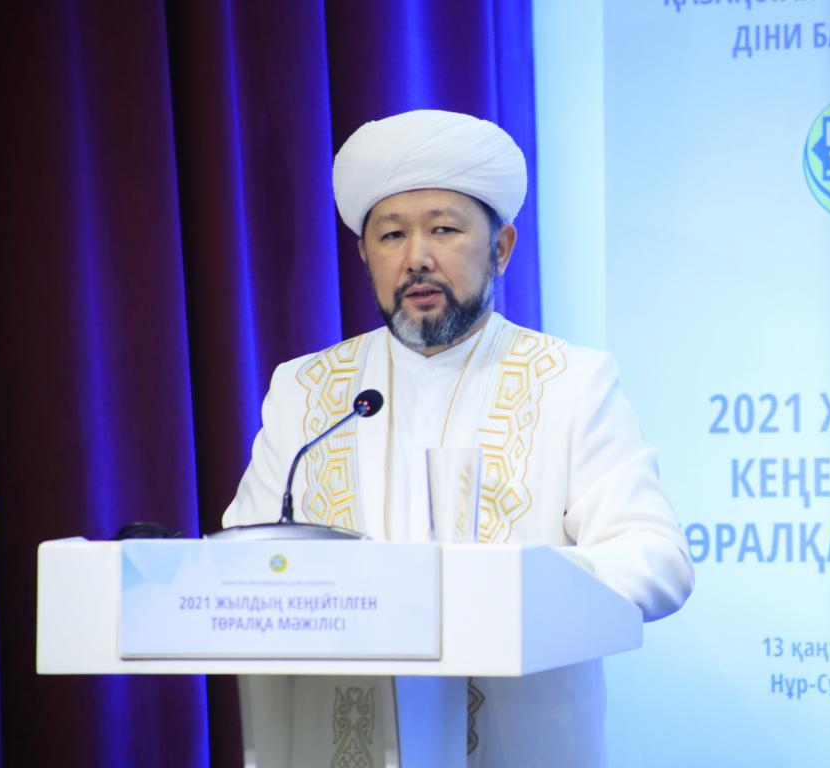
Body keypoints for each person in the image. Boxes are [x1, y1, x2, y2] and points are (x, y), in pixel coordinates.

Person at [224, 109, 693, 768]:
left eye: (443, 229)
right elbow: (244, 564)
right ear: (364, 256)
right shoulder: (308, 390)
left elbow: (657, 560)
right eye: (391, 235)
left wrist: (510, 592)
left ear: (501, 248)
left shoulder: (570, 381)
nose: (416, 257)